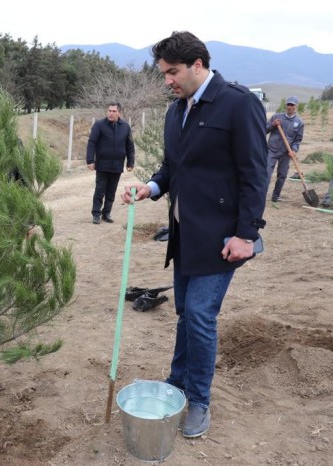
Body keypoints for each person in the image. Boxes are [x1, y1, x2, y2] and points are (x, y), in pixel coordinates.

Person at [121, 31, 268, 438]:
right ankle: (178, 383)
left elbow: (256, 174)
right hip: (185, 236)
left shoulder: (237, 104)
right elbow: (172, 169)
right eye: (164, 73)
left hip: (224, 240)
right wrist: (148, 188)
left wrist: (245, 234)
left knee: (201, 315)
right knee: (186, 313)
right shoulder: (176, 112)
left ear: (198, 65)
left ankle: (199, 400)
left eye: (173, 72)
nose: (167, 80)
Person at [86, 102, 135, 224]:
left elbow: (130, 146)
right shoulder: (99, 125)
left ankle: (106, 213)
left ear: (119, 113)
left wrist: (130, 162)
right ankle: (96, 213)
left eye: (114, 111)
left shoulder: (125, 127)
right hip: (102, 164)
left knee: (111, 191)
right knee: (100, 189)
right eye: (109, 110)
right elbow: (92, 142)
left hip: (117, 164)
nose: (111, 113)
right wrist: (90, 160)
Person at [265, 96, 305, 202]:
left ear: (296, 106)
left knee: (282, 175)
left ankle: (275, 196)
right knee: (267, 173)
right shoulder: (277, 117)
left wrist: (294, 150)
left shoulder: (300, 123)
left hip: (285, 153)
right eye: (288, 104)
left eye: (292, 105)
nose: (290, 107)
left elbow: (297, 140)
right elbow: (264, 129)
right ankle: (261, 194)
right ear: (285, 105)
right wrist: (273, 125)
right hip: (272, 150)